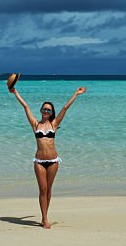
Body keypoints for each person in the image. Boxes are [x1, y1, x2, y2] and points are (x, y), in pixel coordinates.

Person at [10, 83, 86, 229]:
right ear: (40, 110)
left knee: (49, 190)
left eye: (48, 110)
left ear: (51, 113)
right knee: (42, 189)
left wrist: (76, 94)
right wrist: (15, 92)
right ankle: (44, 218)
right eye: (44, 109)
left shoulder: (54, 124)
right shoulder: (35, 124)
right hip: (39, 161)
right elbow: (25, 106)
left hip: (53, 161)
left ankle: (45, 215)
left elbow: (65, 108)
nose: (46, 111)